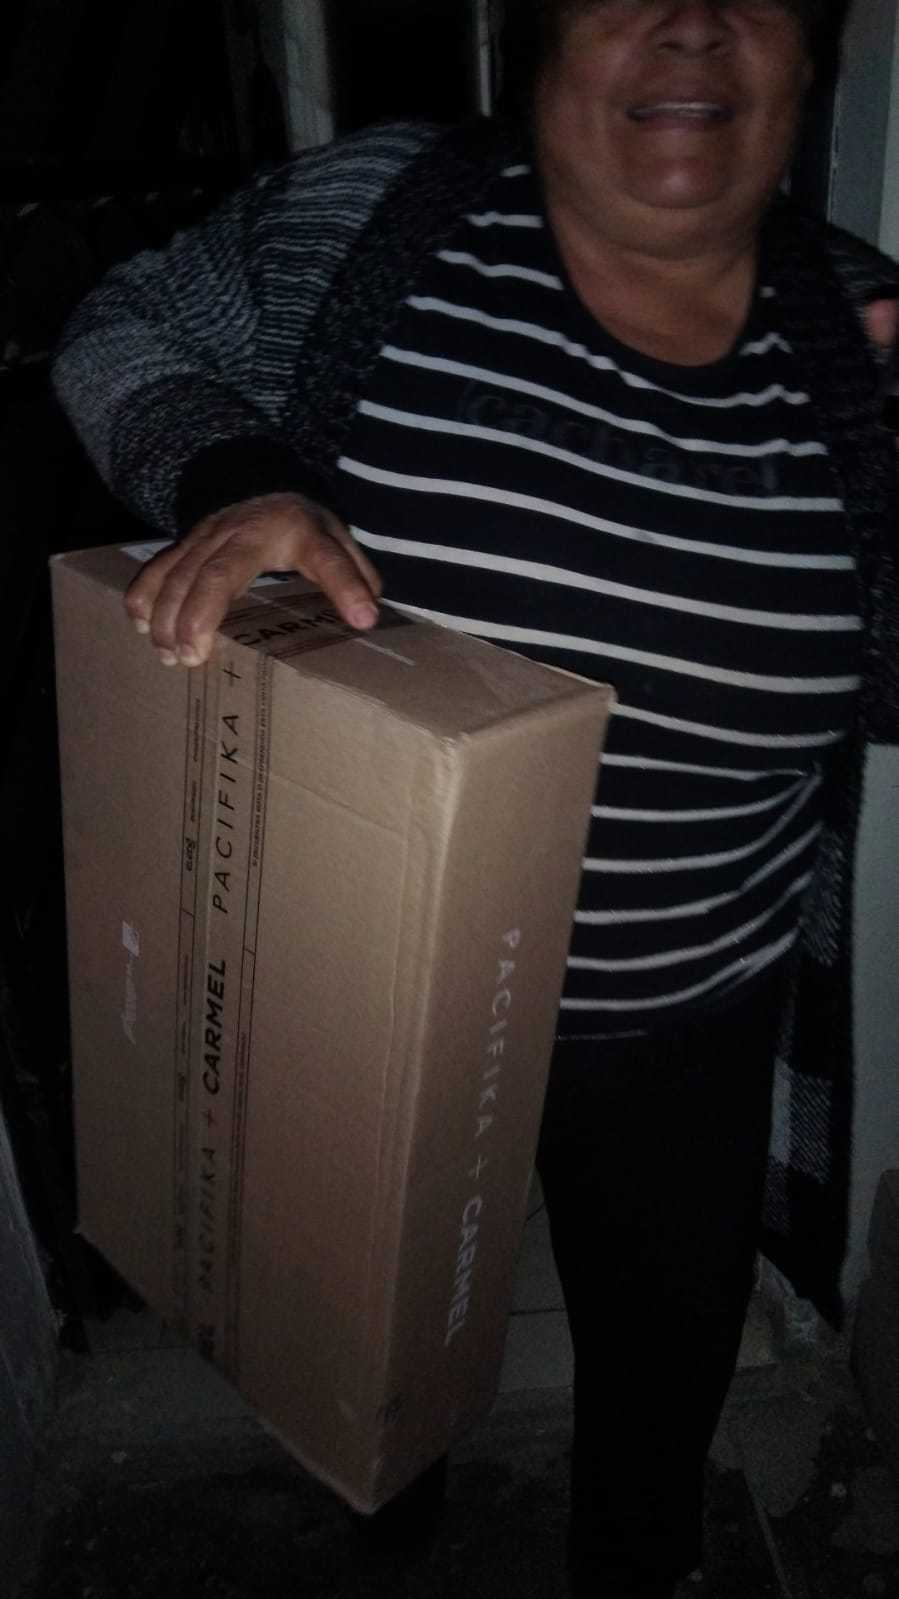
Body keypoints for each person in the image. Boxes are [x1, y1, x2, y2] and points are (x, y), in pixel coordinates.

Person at [53, 3, 899, 1595]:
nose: (692, 25)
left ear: (814, 52)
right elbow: (123, 327)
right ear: (544, 33)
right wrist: (236, 479)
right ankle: (387, 1504)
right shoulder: (382, 211)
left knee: (660, 1381)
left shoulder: (858, 321)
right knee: (362, 1344)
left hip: (690, 1006)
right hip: (378, 982)